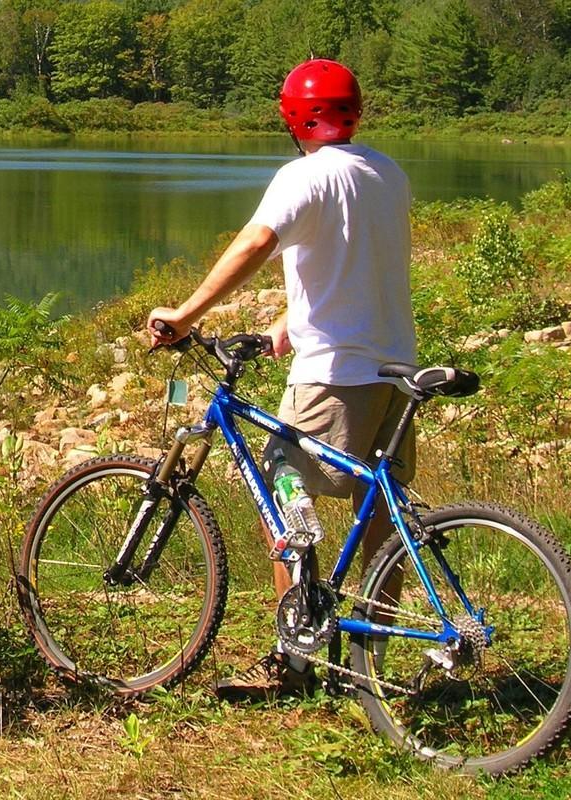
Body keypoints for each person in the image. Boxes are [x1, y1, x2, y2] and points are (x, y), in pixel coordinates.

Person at [146, 58, 416, 699]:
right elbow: (352, 262)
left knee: (280, 491)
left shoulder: (305, 175)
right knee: (378, 514)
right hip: (394, 368)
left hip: (333, 377)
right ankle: (365, 665)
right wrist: (286, 325)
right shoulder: (387, 173)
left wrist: (184, 315)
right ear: (354, 110)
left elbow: (254, 244)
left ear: (294, 117)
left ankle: (294, 662)